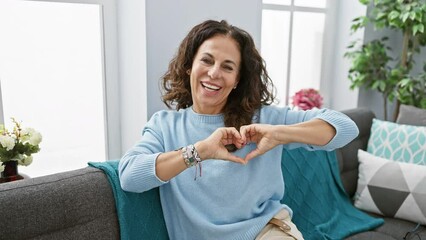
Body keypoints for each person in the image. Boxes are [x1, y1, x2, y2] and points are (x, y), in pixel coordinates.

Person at [118, 19, 359, 240]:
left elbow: (346, 128)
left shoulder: (263, 119)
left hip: (265, 232)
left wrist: (279, 134)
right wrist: (200, 151)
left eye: (228, 67)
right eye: (207, 60)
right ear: (189, 65)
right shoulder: (164, 125)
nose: (214, 73)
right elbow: (130, 176)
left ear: (237, 81)